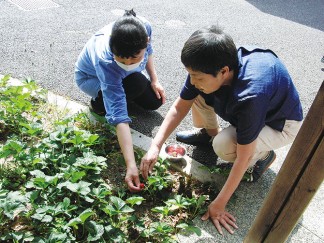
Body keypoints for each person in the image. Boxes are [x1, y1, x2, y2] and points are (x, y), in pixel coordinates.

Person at [140, 25, 303, 234]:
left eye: (197, 76)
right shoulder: (209, 64)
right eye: (189, 74)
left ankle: (263, 157)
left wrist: (219, 204)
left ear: (224, 71)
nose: (191, 80)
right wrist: (155, 145)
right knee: (196, 94)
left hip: (280, 124)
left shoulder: (250, 93)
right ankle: (208, 133)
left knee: (224, 146)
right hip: (251, 111)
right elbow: (180, 106)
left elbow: (243, 155)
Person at [74, 9, 166, 192]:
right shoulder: (105, 60)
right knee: (133, 86)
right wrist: (131, 165)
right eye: (123, 59)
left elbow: (149, 51)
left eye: (135, 58)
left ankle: (121, 92)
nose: (130, 63)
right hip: (90, 79)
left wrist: (155, 80)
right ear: (111, 48)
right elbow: (120, 117)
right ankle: (98, 105)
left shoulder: (143, 27)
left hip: (123, 77)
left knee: (154, 101)